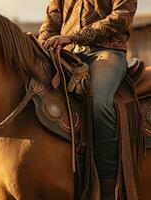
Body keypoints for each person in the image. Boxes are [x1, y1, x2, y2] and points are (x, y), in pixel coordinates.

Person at [38, 0, 137, 199]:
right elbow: (53, 17)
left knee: (99, 102)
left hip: (106, 52)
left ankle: (108, 186)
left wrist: (72, 37)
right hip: (67, 54)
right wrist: (42, 44)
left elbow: (121, 17)